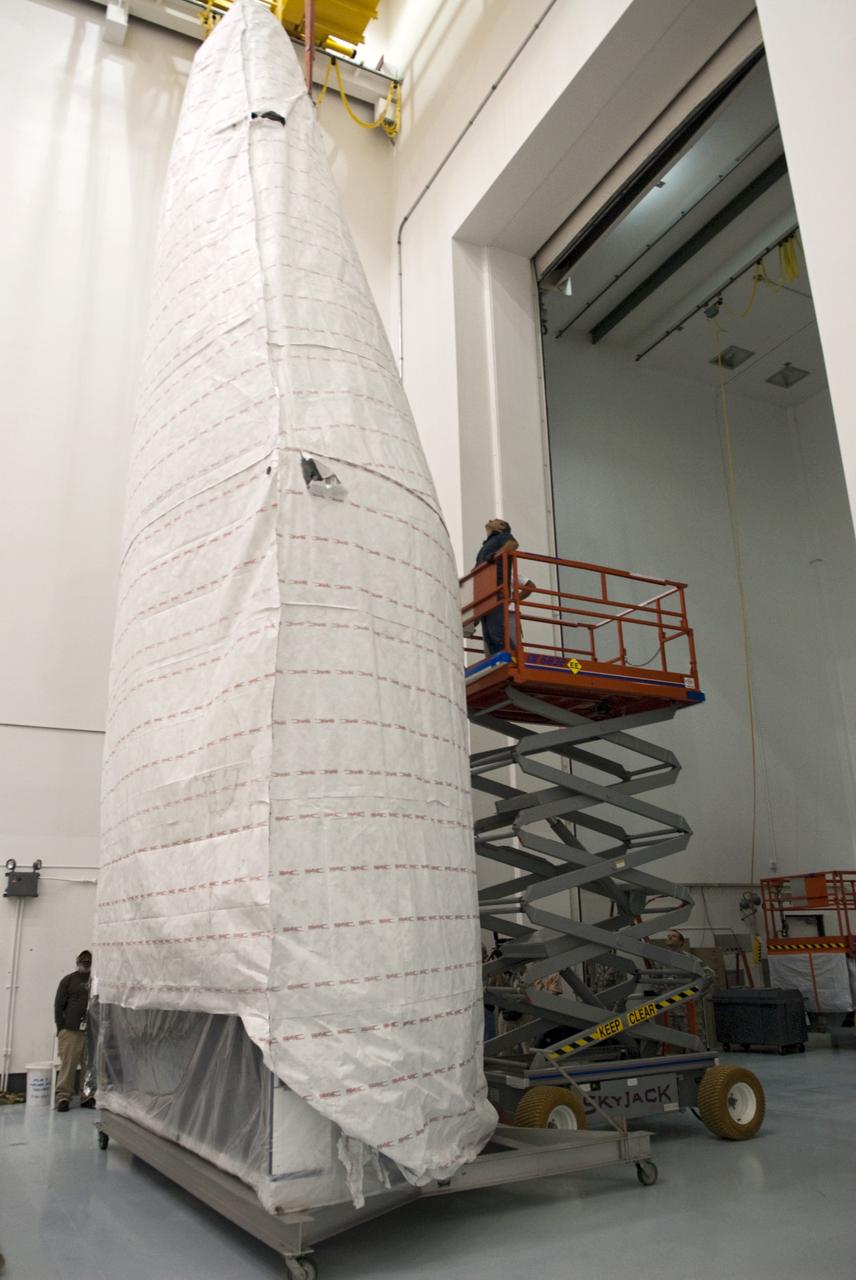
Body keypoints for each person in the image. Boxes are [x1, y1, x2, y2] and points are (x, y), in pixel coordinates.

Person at [54, 949, 95, 1111]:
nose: (85, 962)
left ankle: (87, 1097)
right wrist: (61, 1028)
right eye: (83, 960)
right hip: (70, 1031)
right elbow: (58, 1005)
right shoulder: (68, 980)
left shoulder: (97, 981)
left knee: (89, 1066)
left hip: (91, 1031)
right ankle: (63, 1098)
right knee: (68, 1065)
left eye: (88, 960)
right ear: (77, 961)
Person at [474, 519, 519, 656]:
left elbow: (513, 544)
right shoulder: (486, 545)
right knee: (489, 636)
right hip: (485, 593)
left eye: (494, 520)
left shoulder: (503, 536)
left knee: (497, 632)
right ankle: (499, 660)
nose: (489, 520)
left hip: (496, 589)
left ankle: (512, 659)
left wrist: (495, 555)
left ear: (502, 526)